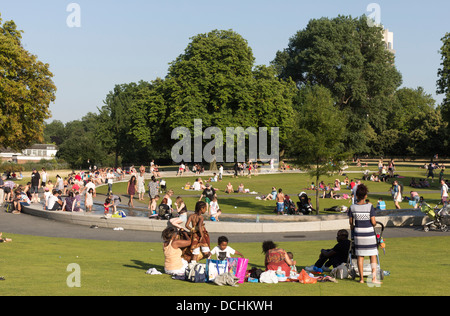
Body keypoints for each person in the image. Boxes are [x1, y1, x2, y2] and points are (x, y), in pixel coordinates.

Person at [348, 184, 381, 284]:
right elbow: (373, 221)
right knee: (372, 255)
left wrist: (354, 227)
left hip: (358, 234)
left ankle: (361, 279)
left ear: (356, 196)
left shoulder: (352, 207)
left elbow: (351, 222)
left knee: (360, 256)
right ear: (365, 196)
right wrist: (373, 224)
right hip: (369, 233)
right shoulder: (369, 206)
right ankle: (374, 278)